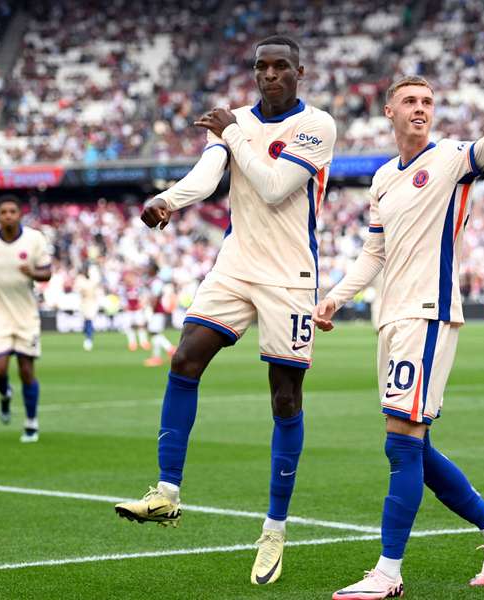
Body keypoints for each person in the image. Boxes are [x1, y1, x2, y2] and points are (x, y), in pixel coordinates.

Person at [313, 20, 484, 598]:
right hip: (392, 316)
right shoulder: (382, 178)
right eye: (410, 101)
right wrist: (336, 295)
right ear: (389, 111)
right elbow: (373, 252)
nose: (421, 109)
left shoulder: (454, 158)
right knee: (417, 445)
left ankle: (387, 573)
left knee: (401, 442)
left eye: (428, 101)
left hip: (428, 313)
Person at [114, 35, 336, 586]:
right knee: (184, 358)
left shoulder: (316, 126)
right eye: (261, 67)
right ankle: (166, 493)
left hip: (290, 275)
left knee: (284, 397)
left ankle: (275, 530)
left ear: (300, 72)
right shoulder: (233, 121)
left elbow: (275, 185)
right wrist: (168, 199)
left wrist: (232, 131)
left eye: (281, 66)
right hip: (235, 265)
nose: (270, 75)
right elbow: (210, 173)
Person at [0, 195, 51, 443]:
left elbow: (47, 272)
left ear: (20, 214)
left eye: (12, 211)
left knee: (27, 370)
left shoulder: (34, 239)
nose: (8, 215)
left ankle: (31, 423)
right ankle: (5, 394)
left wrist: (33, 272)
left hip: (26, 314)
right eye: (3, 211)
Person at [75, 266, 100, 351]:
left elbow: (94, 287)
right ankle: (87, 335)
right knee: (86, 320)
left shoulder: (92, 279)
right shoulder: (80, 279)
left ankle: (89, 338)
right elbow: (79, 289)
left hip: (92, 302)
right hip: (84, 302)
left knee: (89, 319)